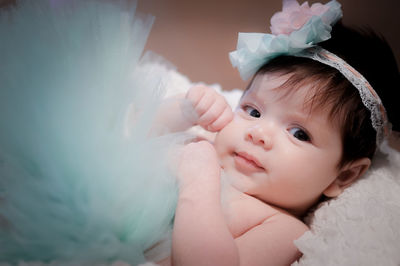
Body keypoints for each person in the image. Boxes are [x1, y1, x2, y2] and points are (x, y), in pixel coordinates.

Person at [155, 0, 400, 265]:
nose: (258, 133)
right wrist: (183, 112)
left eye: (299, 133)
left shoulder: (282, 229)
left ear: (344, 175)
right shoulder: (209, 145)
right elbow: (134, 145)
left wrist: (198, 182)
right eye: (253, 111)